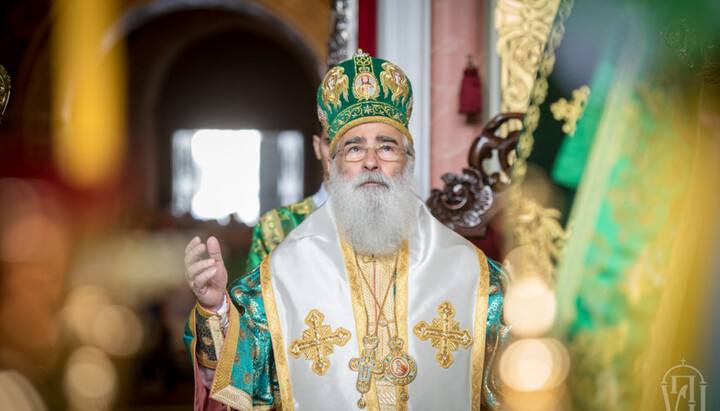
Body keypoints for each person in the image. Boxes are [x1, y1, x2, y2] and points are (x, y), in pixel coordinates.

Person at [184, 50, 507, 410]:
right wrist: (215, 310)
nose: (371, 161)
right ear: (332, 162)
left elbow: (515, 386)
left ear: (408, 160)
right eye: (354, 149)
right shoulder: (283, 272)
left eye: (387, 147)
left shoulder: (474, 276)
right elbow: (243, 379)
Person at [244, 127, 331, 272]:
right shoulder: (275, 226)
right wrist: (218, 295)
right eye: (331, 142)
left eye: (353, 147)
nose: (338, 154)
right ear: (317, 147)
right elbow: (250, 293)